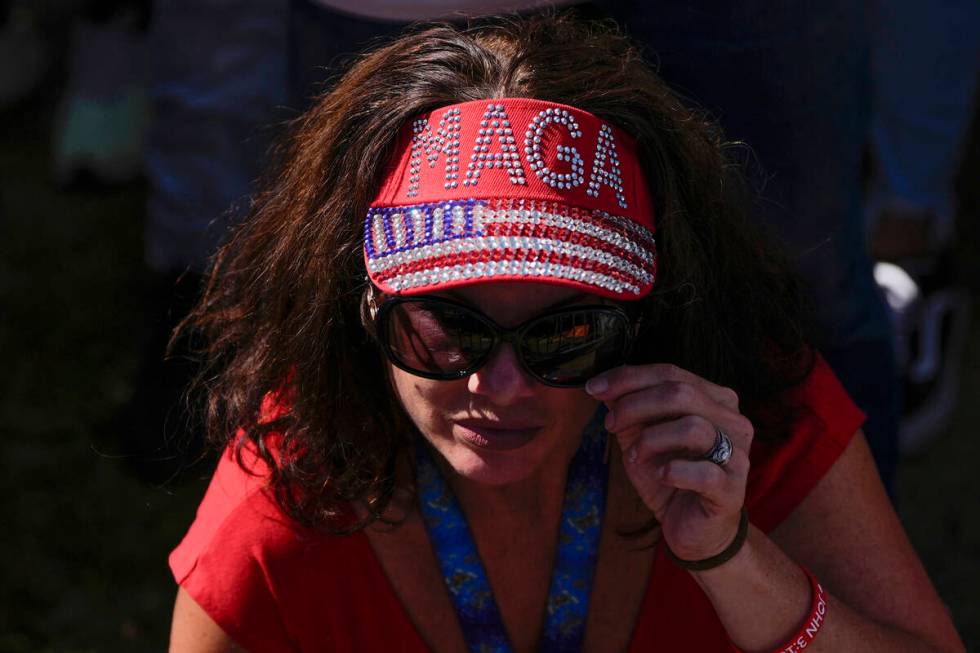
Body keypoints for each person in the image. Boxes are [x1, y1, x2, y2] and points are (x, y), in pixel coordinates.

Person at [168, 15, 965, 652]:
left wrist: (734, 560)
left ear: (651, 317)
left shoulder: (749, 418)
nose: (500, 386)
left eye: (568, 332)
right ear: (359, 302)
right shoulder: (286, 503)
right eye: (447, 328)